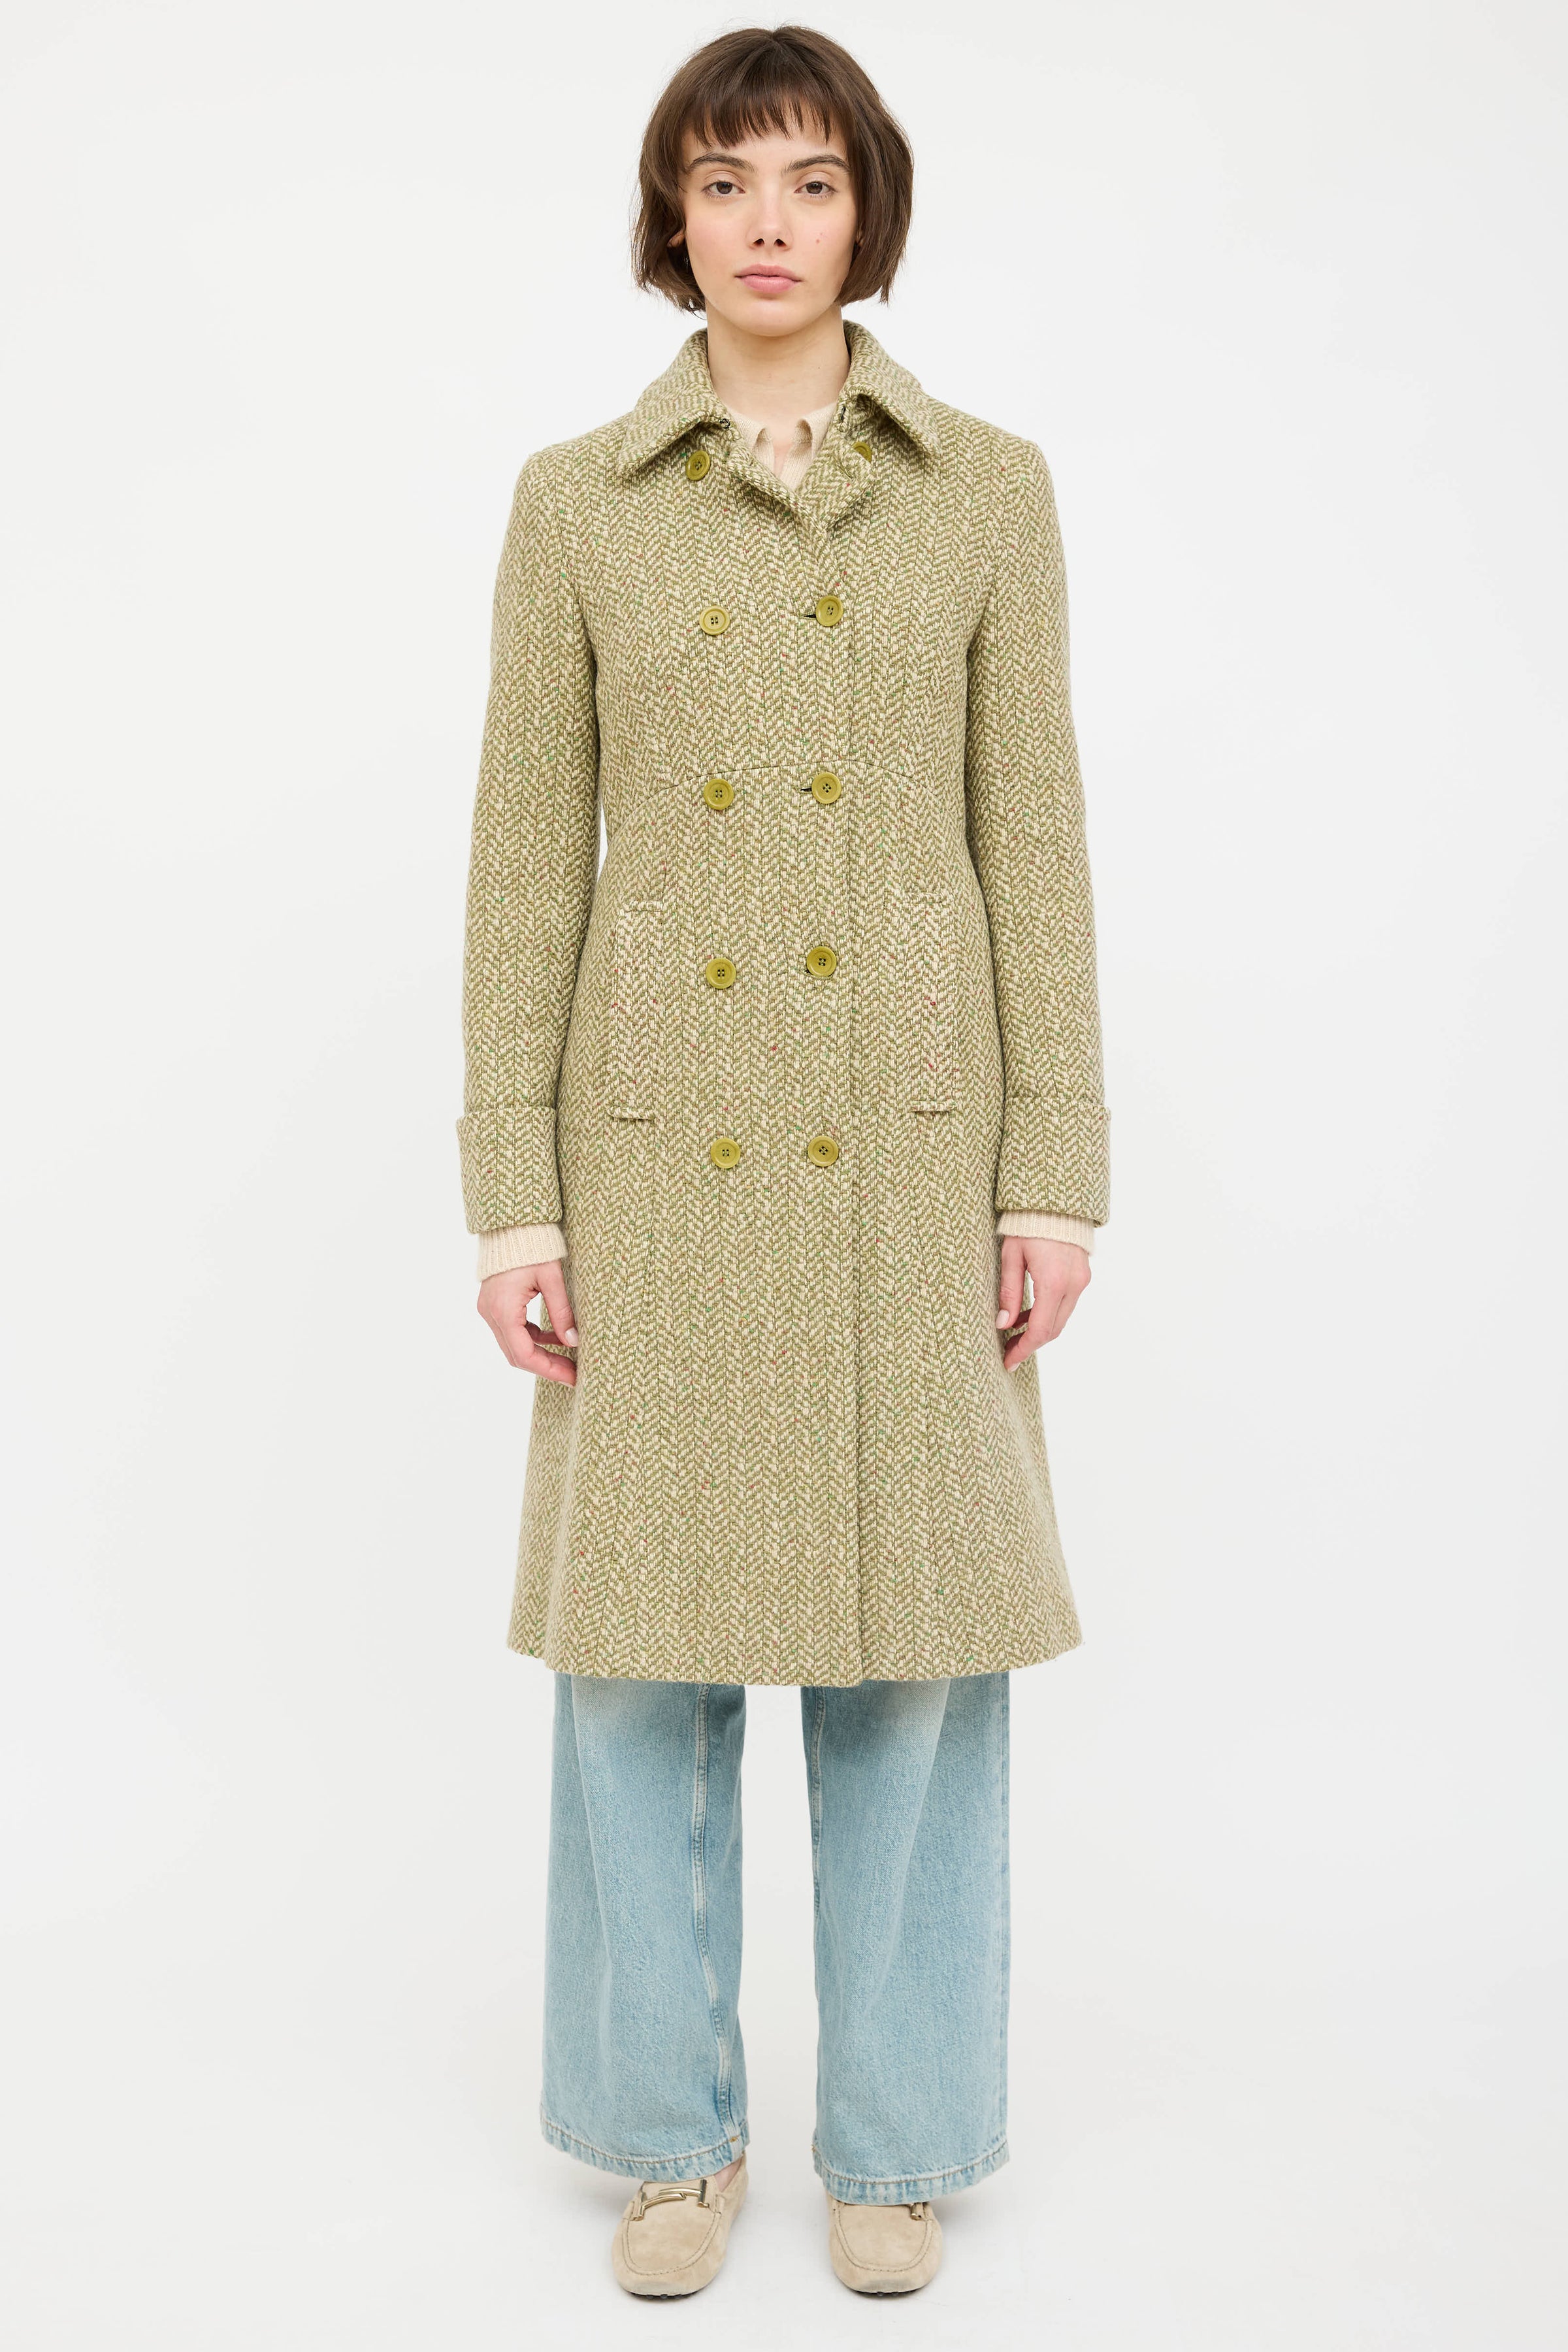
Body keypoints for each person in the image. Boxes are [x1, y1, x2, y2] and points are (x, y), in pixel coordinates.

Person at [456, 22, 1109, 2300]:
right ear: (674, 214)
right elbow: (524, 872)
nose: (766, 222)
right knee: (637, 1665)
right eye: (726, 180)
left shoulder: (987, 491)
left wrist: (1053, 1173)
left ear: (866, 211)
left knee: (913, 1659)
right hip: (659, 1161)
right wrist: (516, 1194)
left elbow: (1036, 849)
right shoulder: (577, 502)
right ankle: (666, 2140)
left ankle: (899, 2146)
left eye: (810, 180)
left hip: (913, 1155)